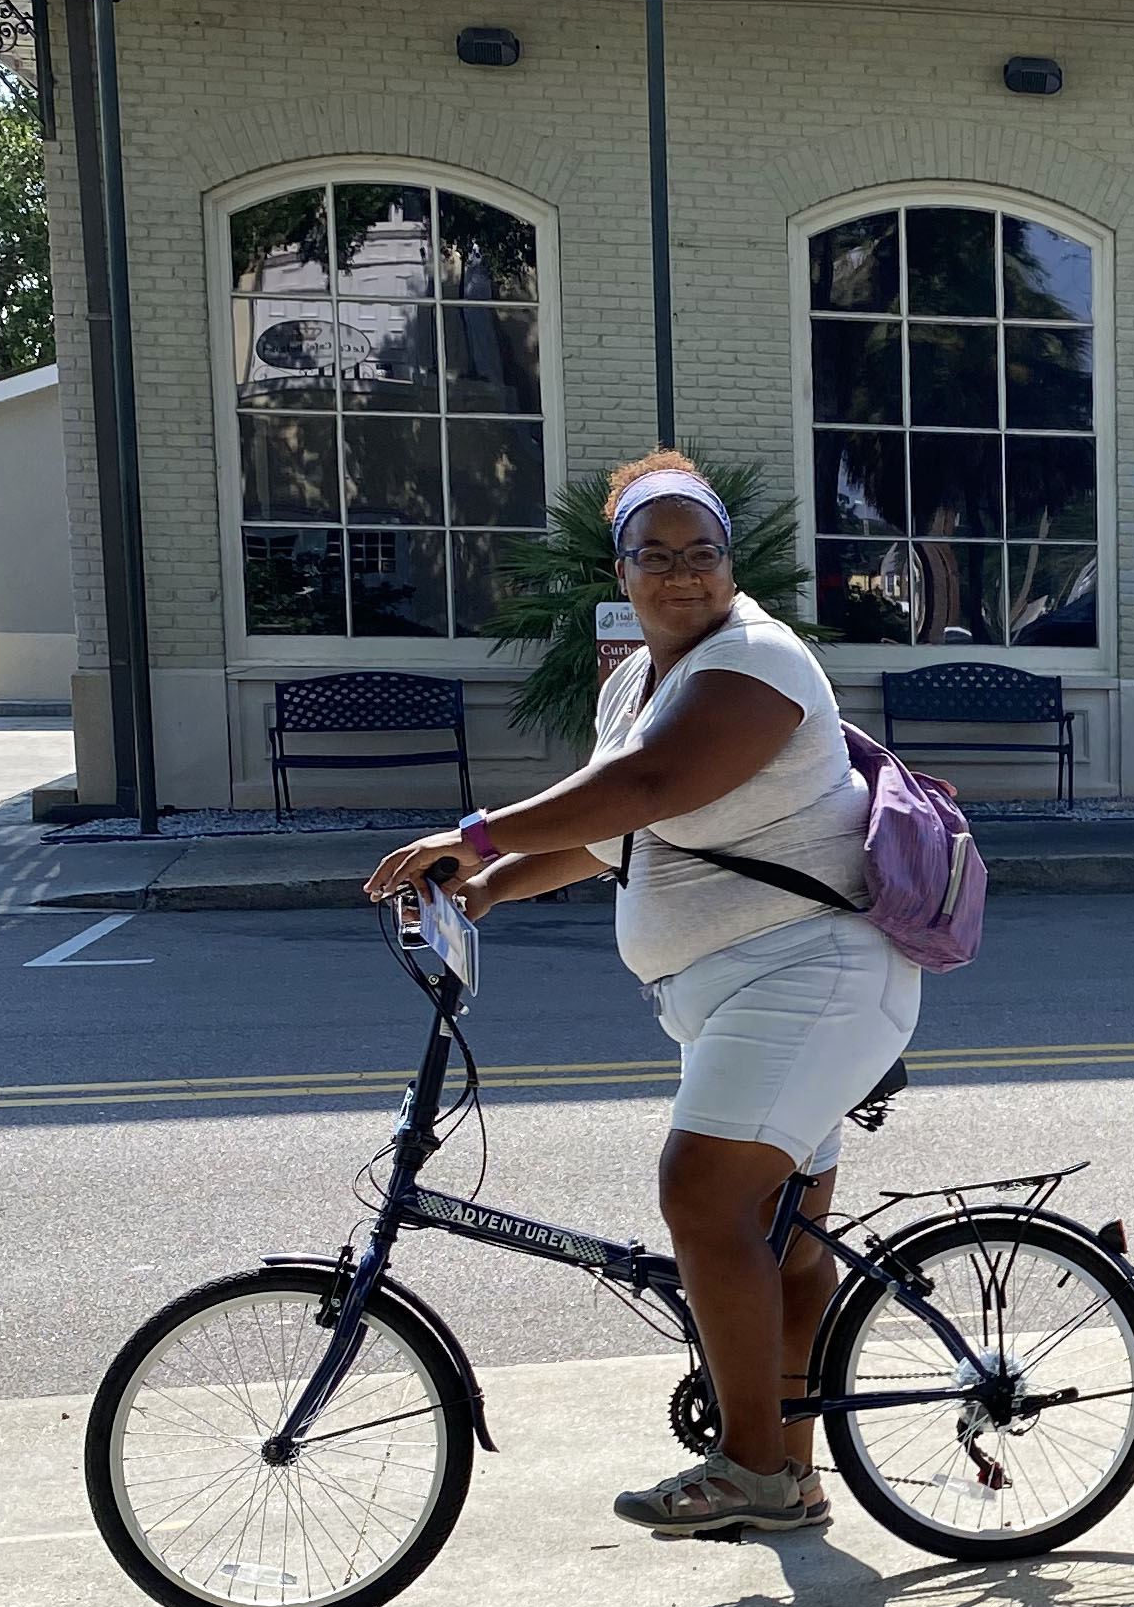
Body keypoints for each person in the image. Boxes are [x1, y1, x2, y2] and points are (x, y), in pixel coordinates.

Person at [365, 452, 912, 1538]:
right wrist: (480, 890)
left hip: (813, 979)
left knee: (701, 1195)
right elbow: (610, 835)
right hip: (745, 994)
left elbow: (650, 786)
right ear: (620, 571)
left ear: (729, 562)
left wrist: (468, 833)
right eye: (653, 555)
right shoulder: (638, 683)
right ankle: (793, 1477)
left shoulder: (753, 661)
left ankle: (751, 1466)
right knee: (787, 1243)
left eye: (700, 553)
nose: (680, 574)